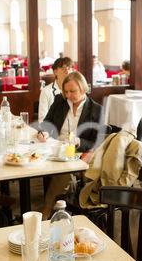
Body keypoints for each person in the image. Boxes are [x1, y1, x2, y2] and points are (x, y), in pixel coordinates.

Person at [36, 71, 105, 218]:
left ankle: (48, 207)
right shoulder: (59, 101)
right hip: (55, 147)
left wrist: (79, 141)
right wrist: (45, 133)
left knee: (64, 171)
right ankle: (60, 204)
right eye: (65, 91)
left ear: (83, 89)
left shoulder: (96, 110)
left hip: (79, 152)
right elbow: (47, 124)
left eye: (72, 91)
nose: (68, 95)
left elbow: (97, 141)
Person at [38, 57, 73, 122]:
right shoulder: (46, 91)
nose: (67, 71)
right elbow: (42, 121)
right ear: (55, 72)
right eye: (63, 69)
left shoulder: (75, 90)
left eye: (69, 68)